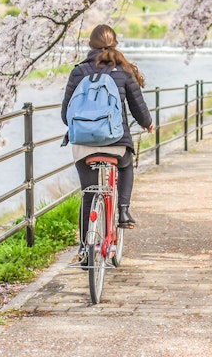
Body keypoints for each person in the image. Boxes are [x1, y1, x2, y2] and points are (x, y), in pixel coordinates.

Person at [61, 24, 154, 260]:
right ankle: (123, 211)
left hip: (83, 146)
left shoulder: (79, 71)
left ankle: (84, 248)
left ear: (90, 45)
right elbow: (138, 108)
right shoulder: (123, 70)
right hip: (116, 142)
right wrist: (148, 123)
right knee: (125, 165)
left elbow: (66, 114)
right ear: (115, 44)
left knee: (88, 194)